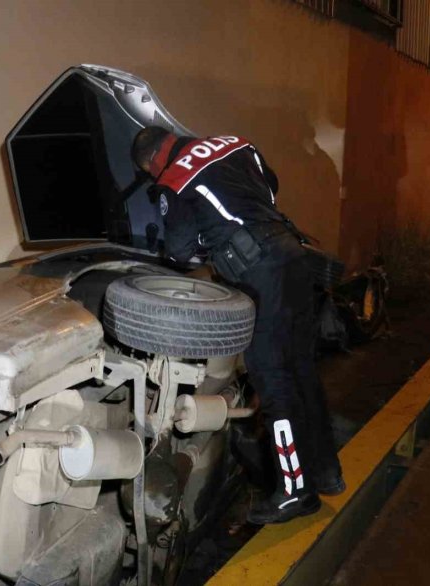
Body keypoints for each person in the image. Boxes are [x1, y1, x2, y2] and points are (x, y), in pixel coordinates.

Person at [131, 126, 344, 524]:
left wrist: (211, 242)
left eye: (149, 173)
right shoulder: (234, 143)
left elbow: (180, 254)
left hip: (260, 274)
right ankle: (326, 472)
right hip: (292, 255)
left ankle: (294, 491)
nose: (153, 179)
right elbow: (270, 183)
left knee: (273, 382)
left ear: (152, 162)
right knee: (301, 371)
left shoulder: (173, 179)